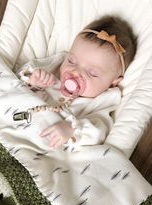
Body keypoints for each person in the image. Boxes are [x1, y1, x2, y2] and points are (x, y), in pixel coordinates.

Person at [17, 15, 137, 149]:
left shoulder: (101, 100)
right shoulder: (56, 66)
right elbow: (22, 73)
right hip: (17, 118)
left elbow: (99, 131)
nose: (75, 72)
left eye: (92, 73)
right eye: (71, 61)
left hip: (38, 144)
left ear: (113, 82)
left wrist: (72, 129)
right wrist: (33, 80)